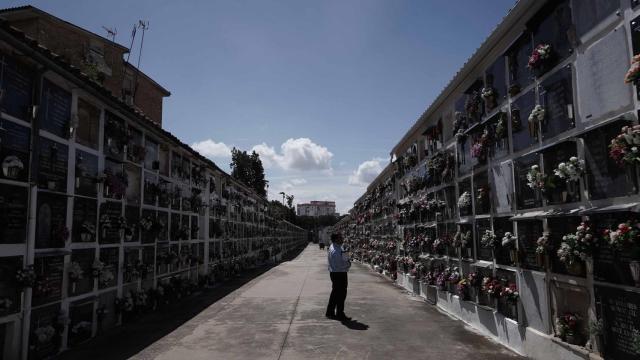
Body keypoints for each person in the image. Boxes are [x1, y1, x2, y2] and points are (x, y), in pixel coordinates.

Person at [326, 232, 351, 321]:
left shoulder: (334, 246)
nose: (342, 239)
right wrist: (348, 263)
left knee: (335, 294)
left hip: (335, 273)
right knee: (341, 294)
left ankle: (330, 312)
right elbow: (341, 264)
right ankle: (340, 313)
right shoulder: (336, 251)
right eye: (340, 238)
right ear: (336, 239)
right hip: (339, 273)